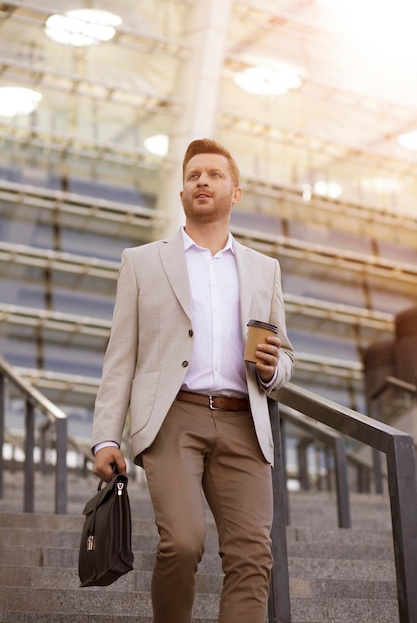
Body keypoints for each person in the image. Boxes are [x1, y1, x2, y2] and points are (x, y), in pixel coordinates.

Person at [92, 138, 294, 623]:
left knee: (252, 558)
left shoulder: (264, 270)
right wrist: (105, 437)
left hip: (244, 422)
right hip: (172, 417)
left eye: (215, 174)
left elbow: (284, 354)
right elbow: (121, 356)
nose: (202, 180)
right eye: (193, 175)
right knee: (183, 543)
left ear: (236, 192)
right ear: (182, 193)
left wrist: (272, 369)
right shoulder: (142, 262)